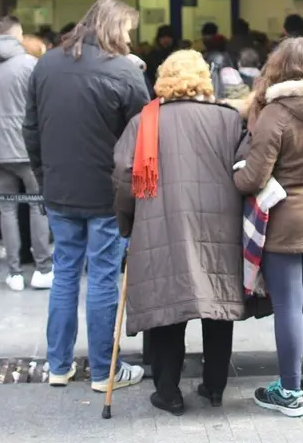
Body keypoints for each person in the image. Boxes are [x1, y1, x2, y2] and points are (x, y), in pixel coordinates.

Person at [24, 0, 150, 392]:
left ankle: (58, 365)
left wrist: (45, 179)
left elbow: (31, 129)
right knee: (103, 278)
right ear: (114, 27)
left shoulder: (46, 63)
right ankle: (103, 370)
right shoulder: (123, 71)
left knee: (64, 275)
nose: (129, 37)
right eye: (127, 29)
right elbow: (144, 138)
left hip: (61, 189)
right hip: (106, 194)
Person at [113, 50, 246, 415]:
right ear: (205, 78)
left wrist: (127, 224)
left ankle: (168, 392)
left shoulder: (144, 122)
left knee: (169, 306)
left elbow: (125, 179)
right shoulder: (228, 120)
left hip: (161, 223)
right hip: (219, 223)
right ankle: (215, 387)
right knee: (217, 303)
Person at [234, 37, 303, 417]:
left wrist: (236, 178)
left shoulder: (275, 113)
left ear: (279, 67)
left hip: (284, 218)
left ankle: (289, 391)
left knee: (288, 305)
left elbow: (255, 176)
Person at [0, 16, 51, 292]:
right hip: (28, 150)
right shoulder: (30, 64)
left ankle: (14, 272)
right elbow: (44, 107)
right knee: (38, 206)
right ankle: (42, 268)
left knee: (7, 208)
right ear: (18, 35)